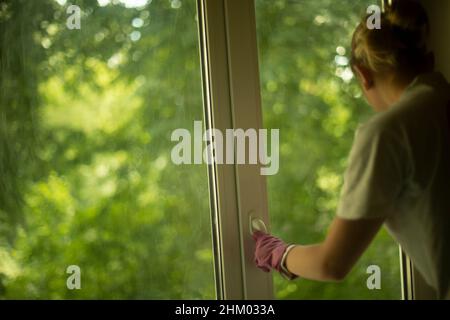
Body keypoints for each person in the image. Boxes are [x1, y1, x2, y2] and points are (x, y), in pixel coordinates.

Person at [253, 0, 450, 300]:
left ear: (363, 75)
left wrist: (279, 253)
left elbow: (332, 263)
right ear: (428, 59)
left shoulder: (389, 132)